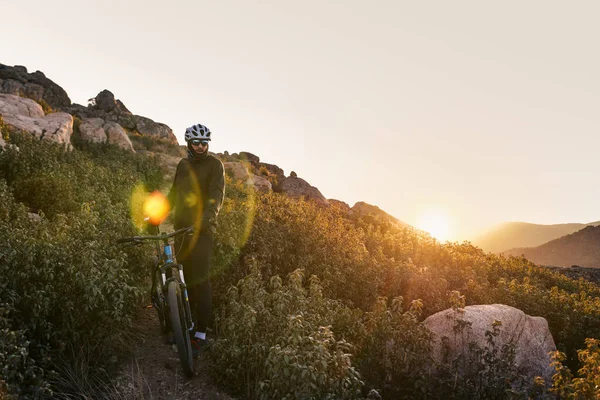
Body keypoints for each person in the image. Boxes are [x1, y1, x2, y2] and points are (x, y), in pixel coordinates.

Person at [167, 123, 225, 356]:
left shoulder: (215, 165)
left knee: (201, 281)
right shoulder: (183, 165)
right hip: (181, 229)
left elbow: (216, 197)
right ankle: (187, 325)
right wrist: (157, 213)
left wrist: (204, 221)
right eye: (196, 143)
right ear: (189, 143)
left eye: (204, 143)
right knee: (185, 279)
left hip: (202, 231)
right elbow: (173, 193)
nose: (201, 147)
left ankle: (201, 332)